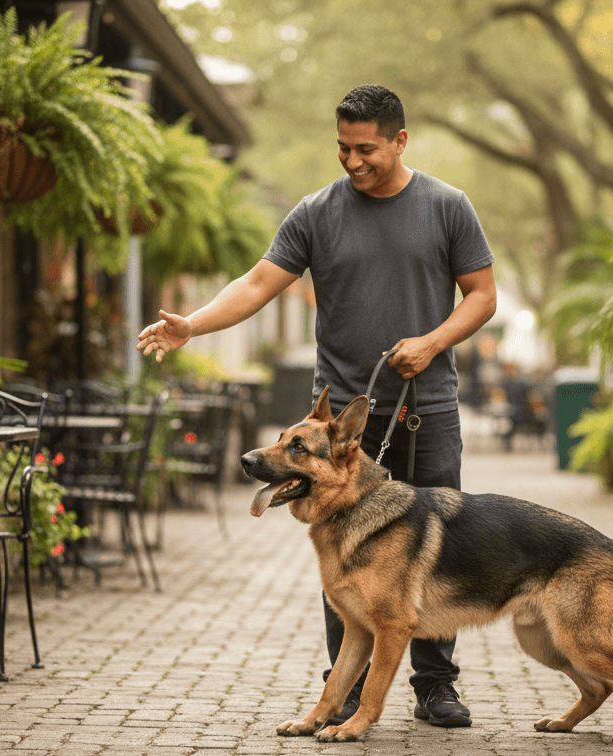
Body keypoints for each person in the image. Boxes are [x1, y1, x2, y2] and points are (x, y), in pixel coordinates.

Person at [137, 84, 496, 729]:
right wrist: (191, 325)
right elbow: (255, 283)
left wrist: (435, 341)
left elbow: (481, 295)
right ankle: (347, 692)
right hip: (334, 428)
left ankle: (435, 685)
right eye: (343, 148)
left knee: (434, 551)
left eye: (367, 149)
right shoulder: (315, 213)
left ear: (400, 140)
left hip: (425, 406)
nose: (353, 161)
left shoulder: (447, 206)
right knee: (344, 553)